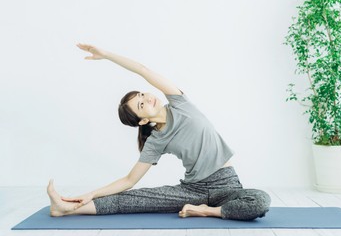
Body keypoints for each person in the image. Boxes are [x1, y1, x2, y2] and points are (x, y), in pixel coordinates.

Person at [47, 43, 271, 220]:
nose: (147, 98)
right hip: (192, 190)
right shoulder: (155, 141)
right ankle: (65, 209)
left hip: (226, 185)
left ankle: (206, 211)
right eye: (141, 105)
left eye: (143, 95)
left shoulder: (179, 103)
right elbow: (129, 180)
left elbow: (143, 70)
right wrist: (92, 193)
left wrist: (106, 54)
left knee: (260, 201)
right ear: (143, 119)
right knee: (132, 200)